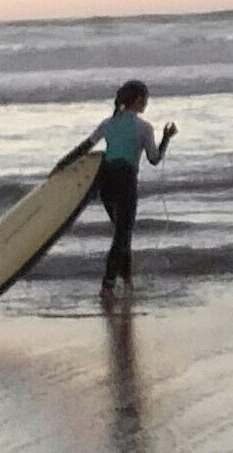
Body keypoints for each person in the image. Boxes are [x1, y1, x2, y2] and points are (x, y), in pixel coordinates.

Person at [51, 80, 177, 301]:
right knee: (122, 235)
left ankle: (127, 282)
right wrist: (166, 138)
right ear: (138, 100)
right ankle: (107, 285)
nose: (146, 103)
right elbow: (154, 159)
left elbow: (85, 147)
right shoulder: (144, 127)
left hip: (106, 181)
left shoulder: (108, 123)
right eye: (145, 99)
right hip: (126, 180)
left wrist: (61, 164)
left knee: (122, 233)